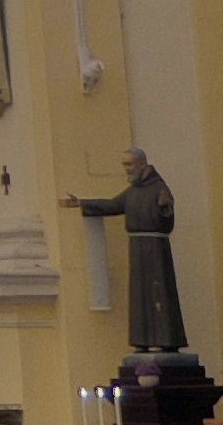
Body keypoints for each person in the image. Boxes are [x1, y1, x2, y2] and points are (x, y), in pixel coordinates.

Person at [69, 149, 190, 361]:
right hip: (137, 248)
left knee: (160, 292)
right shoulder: (134, 191)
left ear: (142, 164)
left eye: (130, 165)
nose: (127, 169)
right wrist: (81, 203)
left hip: (155, 249)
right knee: (140, 296)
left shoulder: (158, 188)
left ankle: (167, 340)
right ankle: (142, 340)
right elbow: (114, 205)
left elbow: (167, 217)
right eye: (124, 165)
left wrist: (164, 208)